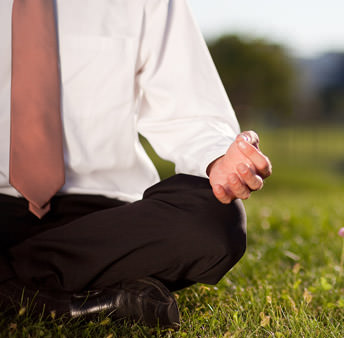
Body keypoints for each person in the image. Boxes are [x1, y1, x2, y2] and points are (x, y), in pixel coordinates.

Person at [0, 0, 271, 329]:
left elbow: (190, 115)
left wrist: (220, 159)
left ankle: (14, 288)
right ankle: (73, 301)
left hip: (105, 217)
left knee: (215, 220)